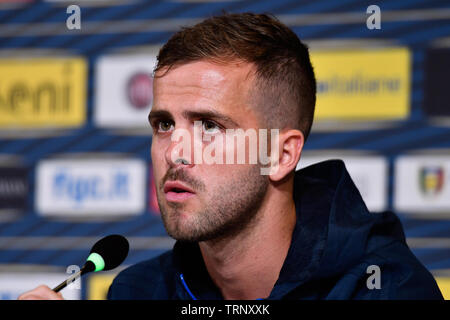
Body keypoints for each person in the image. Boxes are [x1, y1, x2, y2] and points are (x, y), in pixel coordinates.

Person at [19, 12, 443, 300]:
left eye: (209, 125)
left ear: (280, 154)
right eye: (164, 124)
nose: (175, 151)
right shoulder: (139, 291)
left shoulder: (386, 289)